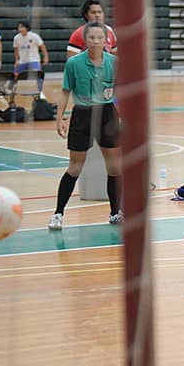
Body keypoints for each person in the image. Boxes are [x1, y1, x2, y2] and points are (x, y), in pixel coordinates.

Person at [48, 22, 122, 230]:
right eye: (92, 38)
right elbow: (65, 91)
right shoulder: (74, 64)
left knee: (114, 166)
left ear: (106, 40)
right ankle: (58, 214)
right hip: (82, 114)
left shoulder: (115, 63)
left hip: (107, 113)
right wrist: (60, 117)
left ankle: (115, 212)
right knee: (75, 167)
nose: (96, 41)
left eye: (100, 38)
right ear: (85, 40)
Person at [13, 20, 49, 92]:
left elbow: (42, 47)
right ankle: (10, 90)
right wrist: (17, 60)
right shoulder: (16, 38)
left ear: (27, 28)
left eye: (22, 27)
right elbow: (16, 50)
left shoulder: (34, 36)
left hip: (34, 60)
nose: (20, 29)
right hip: (22, 61)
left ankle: (40, 92)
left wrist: (46, 57)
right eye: (19, 27)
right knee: (14, 75)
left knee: (38, 74)